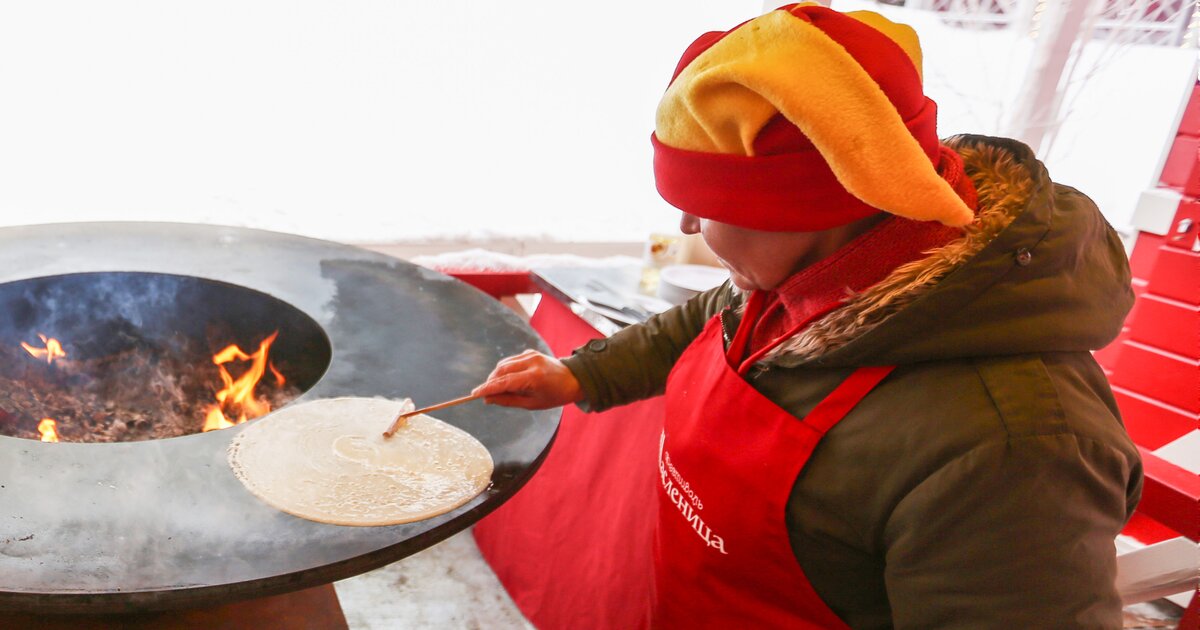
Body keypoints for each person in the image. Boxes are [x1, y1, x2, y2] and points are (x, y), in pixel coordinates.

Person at [472, 4, 1143, 628]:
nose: (685, 224)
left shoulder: (1011, 451)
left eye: (704, 204)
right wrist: (580, 377)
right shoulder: (802, 280)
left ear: (799, 208)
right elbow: (706, 320)